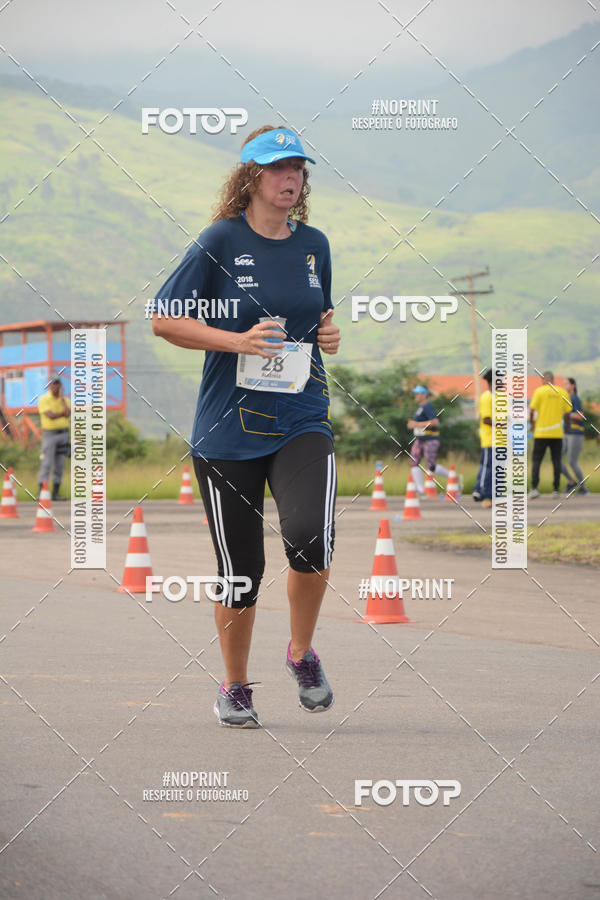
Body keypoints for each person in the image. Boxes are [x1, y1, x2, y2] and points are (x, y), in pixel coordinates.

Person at [152, 125, 341, 728]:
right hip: (227, 430)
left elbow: (318, 316)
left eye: (298, 169)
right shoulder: (219, 240)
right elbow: (164, 319)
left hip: (301, 417)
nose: (291, 179)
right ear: (252, 177)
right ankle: (235, 685)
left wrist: (328, 335)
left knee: (311, 537)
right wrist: (236, 340)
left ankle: (301, 653)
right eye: (278, 169)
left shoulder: (314, 245)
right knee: (241, 573)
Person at [528, 371, 571, 499]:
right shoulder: (562, 392)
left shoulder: (539, 392)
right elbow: (567, 413)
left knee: (537, 461)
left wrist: (532, 423)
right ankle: (556, 490)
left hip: (541, 433)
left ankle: (534, 488)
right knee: (556, 461)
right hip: (557, 434)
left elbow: (531, 410)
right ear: (553, 380)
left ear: (543, 380)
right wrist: (567, 426)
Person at [406, 386, 450, 495]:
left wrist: (416, 424)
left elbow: (435, 422)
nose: (415, 396)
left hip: (430, 438)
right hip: (420, 439)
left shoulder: (427, 406)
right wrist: (413, 425)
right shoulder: (420, 407)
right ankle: (420, 489)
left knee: (431, 466)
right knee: (413, 462)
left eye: (418, 393)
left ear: (424, 395)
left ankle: (452, 477)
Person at [37, 376, 71, 500]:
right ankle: (41, 493)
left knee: (60, 465)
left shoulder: (65, 400)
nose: (55, 386)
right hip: (49, 435)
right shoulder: (44, 399)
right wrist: (62, 414)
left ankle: (55, 494)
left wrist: (62, 399)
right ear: (49, 386)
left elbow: (68, 413)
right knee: (46, 464)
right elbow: (50, 416)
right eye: (53, 384)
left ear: (60, 385)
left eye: (57, 384)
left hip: (63, 434)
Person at [560, 377, 588, 495]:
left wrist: (568, 414)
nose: (564, 386)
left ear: (573, 385)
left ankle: (584, 487)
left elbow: (581, 416)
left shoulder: (575, 398)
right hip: (566, 433)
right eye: (563, 384)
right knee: (556, 459)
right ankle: (571, 482)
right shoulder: (566, 399)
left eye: (566, 384)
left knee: (572, 461)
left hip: (575, 433)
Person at [472, 369, 493, 508]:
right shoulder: (487, 397)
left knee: (493, 468)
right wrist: (503, 424)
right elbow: (486, 419)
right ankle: (482, 492)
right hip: (489, 439)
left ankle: (482, 491)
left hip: (500, 439)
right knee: (487, 467)